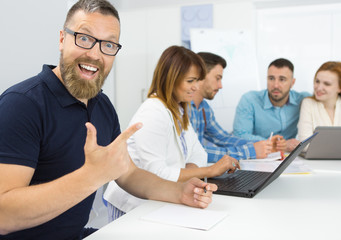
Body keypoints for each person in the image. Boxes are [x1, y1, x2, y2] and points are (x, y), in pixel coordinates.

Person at [0, 1, 217, 239]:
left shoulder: (101, 105)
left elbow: (128, 174)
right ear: (62, 39)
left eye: (109, 45)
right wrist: (91, 176)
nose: (95, 54)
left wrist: (178, 192)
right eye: (84, 38)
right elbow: (3, 216)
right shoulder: (21, 104)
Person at [104, 46, 239, 221]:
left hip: (161, 201)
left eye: (198, 80)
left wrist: (185, 172)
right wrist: (210, 170)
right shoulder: (153, 112)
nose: (196, 87)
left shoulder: (179, 109)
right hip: (131, 205)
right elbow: (157, 174)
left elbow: (199, 153)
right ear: (171, 79)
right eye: (190, 81)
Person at [190, 52, 273, 163]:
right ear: (201, 75)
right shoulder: (183, 109)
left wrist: (264, 144)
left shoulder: (204, 108)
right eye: (217, 78)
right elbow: (195, 154)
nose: (220, 85)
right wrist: (250, 151)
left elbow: (223, 138)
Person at [233, 58, 311, 152]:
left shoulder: (304, 100)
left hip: (290, 157)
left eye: (282, 79)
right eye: (271, 78)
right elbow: (240, 135)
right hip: (260, 156)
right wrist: (276, 145)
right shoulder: (249, 100)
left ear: (292, 83)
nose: (275, 85)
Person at [298, 61, 341, 141]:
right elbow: (305, 143)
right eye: (317, 81)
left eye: (327, 84)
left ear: (340, 87)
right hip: (319, 154)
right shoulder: (308, 104)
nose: (319, 88)